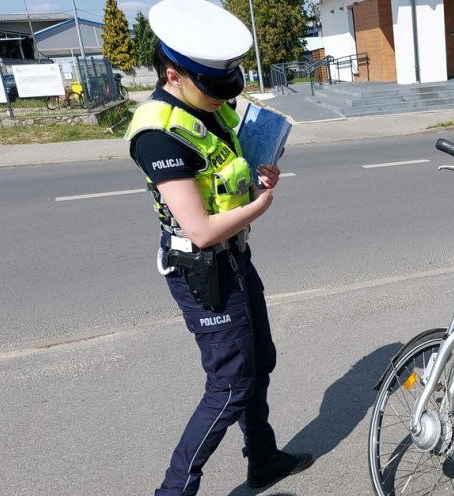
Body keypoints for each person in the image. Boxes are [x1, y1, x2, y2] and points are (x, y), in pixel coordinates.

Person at [123, 1, 312, 494]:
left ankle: (263, 460)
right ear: (173, 73)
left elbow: (232, 174)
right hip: (201, 267)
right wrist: (261, 204)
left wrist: (259, 175)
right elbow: (201, 229)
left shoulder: (214, 106)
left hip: (236, 257)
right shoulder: (157, 133)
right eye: (212, 88)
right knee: (230, 386)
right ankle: (175, 489)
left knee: (259, 362)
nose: (221, 99)